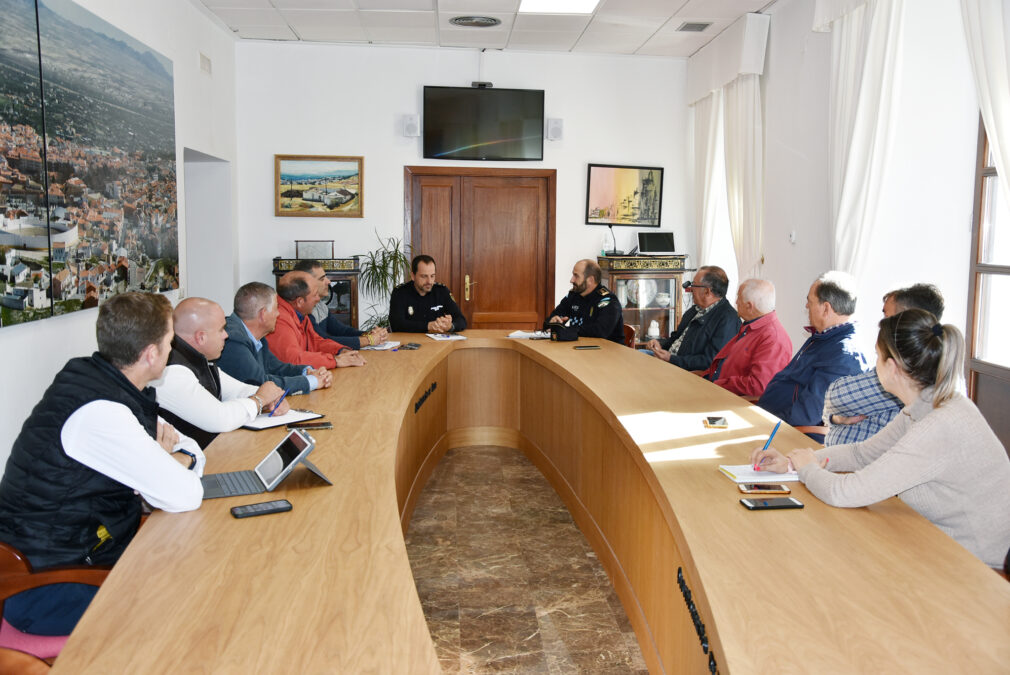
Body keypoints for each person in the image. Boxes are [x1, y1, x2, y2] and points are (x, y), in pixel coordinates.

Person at [0, 292, 204, 636]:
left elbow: (189, 450)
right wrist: (170, 459)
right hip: (45, 586)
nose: (173, 350)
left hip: (78, 554)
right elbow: (186, 494)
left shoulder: (101, 382)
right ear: (151, 353)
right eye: (170, 341)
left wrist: (172, 459)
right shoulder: (101, 412)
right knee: (188, 602)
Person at [751, 309, 1010, 569]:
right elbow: (861, 454)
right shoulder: (925, 405)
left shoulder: (938, 425)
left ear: (892, 367)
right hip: (938, 542)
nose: (875, 365)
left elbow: (846, 492)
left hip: (978, 566)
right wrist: (792, 462)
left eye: (877, 356)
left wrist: (807, 468)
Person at [153, 297, 290, 449]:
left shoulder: (198, 359)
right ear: (201, 337)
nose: (226, 335)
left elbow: (238, 389)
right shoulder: (171, 372)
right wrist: (260, 400)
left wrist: (272, 398)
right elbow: (219, 418)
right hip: (196, 462)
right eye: (221, 329)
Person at [823, 283, 945, 445]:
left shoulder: (909, 370)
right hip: (844, 460)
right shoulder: (910, 403)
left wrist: (833, 414)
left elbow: (836, 397)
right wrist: (835, 418)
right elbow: (829, 409)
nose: (882, 326)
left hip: (858, 468)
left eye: (887, 318)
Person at [757, 271, 865, 442]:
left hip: (790, 436)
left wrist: (764, 426)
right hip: (768, 422)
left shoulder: (843, 355)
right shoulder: (825, 338)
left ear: (826, 308)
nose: (807, 306)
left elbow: (807, 414)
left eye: (810, 301)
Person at [217, 282, 334, 394]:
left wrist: (308, 372)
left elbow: (277, 367)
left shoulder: (256, 335)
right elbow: (259, 384)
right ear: (263, 314)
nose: (278, 314)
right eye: (276, 308)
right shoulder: (233, 340)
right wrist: (311, 382)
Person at [698, 278, 792, 397]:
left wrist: (716, 385)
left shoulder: (773, 338)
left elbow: (758, 386)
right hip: (716, 390)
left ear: (749, 306)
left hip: (729, 400)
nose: (736, 302)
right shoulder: (751, 326)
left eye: (738, 298)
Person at [268, 271, 367, 370]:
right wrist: (335, 360)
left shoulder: (300, 313)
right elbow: (294, 360)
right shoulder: (278, 319)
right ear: (299, 302)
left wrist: (341, 350)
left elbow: (316, 342)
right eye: (315, 295)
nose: (318, 299)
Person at [645, 266, 739, 369]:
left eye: (693, 285)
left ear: (707, 292)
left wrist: (671, 359)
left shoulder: (728, 320)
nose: (689, 289)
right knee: (640, 355)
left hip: (684, 372)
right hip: (669, 361)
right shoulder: (694, 310)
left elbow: (710, 361)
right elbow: (675, 338)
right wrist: (659, 345)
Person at [293, 259, 388, 349]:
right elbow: (322, 341)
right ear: (307, 283)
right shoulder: (303, 309)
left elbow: (342, 330)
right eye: (322, 279)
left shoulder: (320, 306)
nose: (328, 281)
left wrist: (369, 334)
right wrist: (369, 340)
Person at [545, 259, 624, 344]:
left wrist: (566, 330)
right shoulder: (573, 296)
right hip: (581, 349)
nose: (571, 280)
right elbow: (548, 322)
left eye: (576, 276)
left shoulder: (608, 301)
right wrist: (553, 323)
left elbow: (600, 331)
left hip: (608, 352)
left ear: (590, 280)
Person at [389, 255, 466, 333]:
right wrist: (427, 326)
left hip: (437, 343)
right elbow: (397, 324)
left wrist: (450, 326)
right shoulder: (400, 293)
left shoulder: (442, 291)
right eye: (424, 276)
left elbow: (461, 320)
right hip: (410, 342)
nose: (429, 281)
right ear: (413, 276)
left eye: (432, 276)